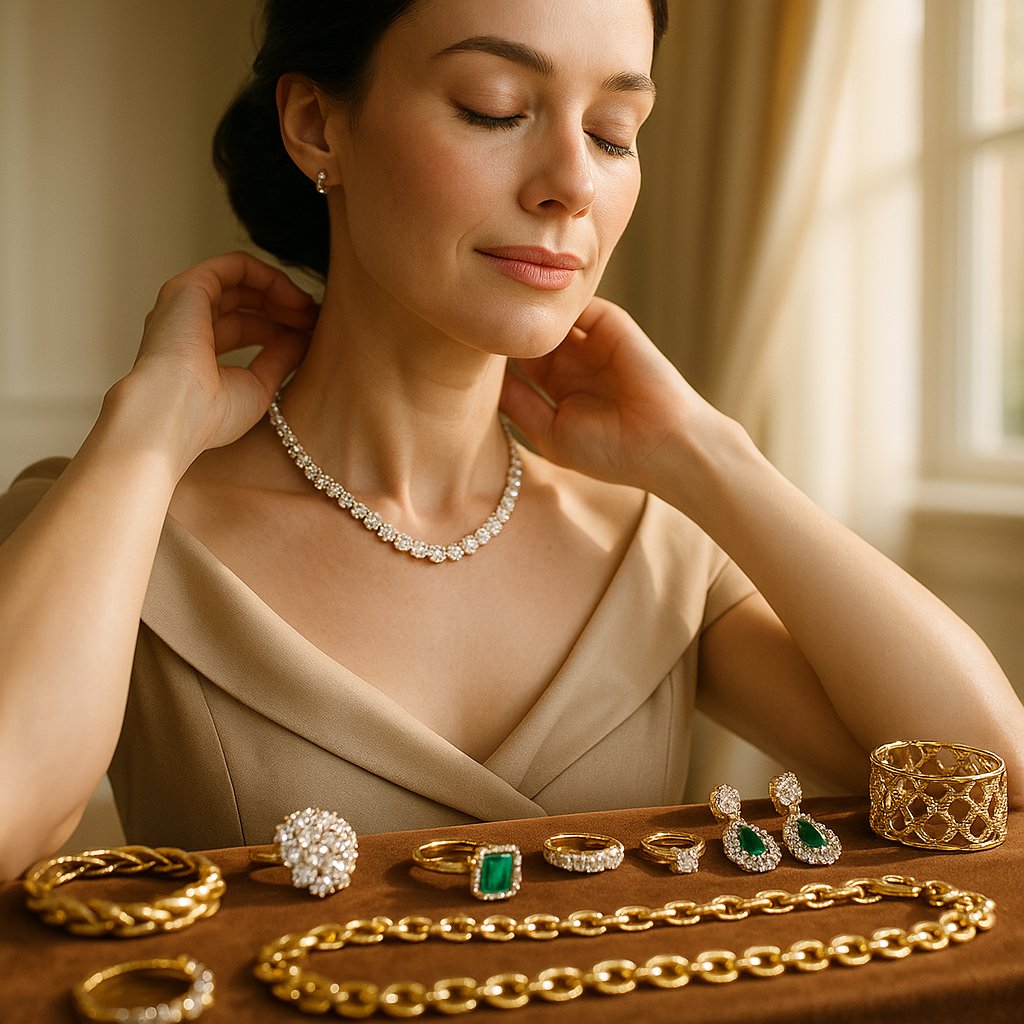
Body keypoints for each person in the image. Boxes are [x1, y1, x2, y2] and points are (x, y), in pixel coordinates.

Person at [1, 0, 1021, 881]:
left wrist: (713, 457)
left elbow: (991, 783)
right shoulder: (115, 521)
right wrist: (143, 438)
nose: (572, 183)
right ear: (318, 125)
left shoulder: (650, 551)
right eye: (494, 106)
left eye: (616, 130)